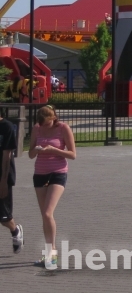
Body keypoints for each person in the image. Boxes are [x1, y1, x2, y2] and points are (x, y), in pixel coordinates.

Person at [27, 105, 75, 270]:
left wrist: (54, 149)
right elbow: (30, 153)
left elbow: (73, 154)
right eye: (41, 123)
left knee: (48, 212)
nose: (44, 126)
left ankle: (52, 252)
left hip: (58, 172)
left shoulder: (63, 128)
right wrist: (37, 150)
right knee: (45, 216)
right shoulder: (37, 128)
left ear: (54, 118)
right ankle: (48, 252)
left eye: (47, 123)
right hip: (40, 172)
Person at [1, 113, 24, 253]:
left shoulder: (6, 127)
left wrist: (3, 181)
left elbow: (7, 155)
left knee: (4, 218)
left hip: (2, 176)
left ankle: (15, 231)